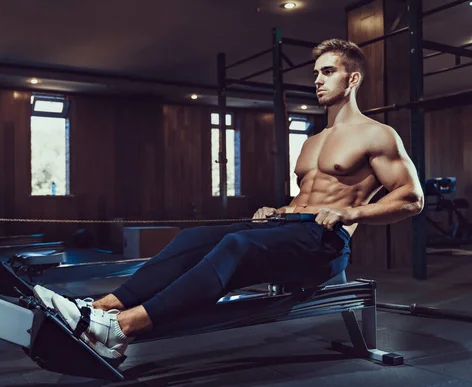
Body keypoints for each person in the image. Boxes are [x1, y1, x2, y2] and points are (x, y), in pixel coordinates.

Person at [33, 38, 424, 360]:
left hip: (326, 245)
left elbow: (411, 198)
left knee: (236, 245)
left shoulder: (377, 135)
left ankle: (121, 329)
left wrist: (350, 211)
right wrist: (280, 209)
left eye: (328, 71)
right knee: (193, 238)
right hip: (288, 230)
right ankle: (101, 308)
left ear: (352, 78)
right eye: (316, 73)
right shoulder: (312, 142)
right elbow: (306, 195)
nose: (318, 81)